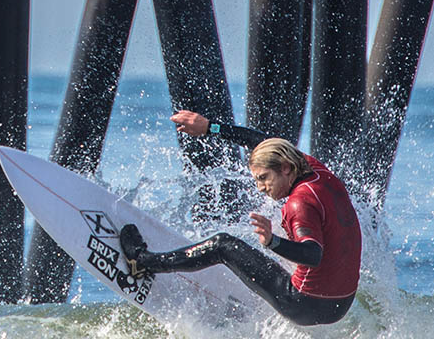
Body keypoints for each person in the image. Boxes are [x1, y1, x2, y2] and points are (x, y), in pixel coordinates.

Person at [119, 110, 362, 326]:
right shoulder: (317, 171)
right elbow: (263, 143)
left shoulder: (298, 203)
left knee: (223, 245)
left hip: (304, 305)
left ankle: (143, 262)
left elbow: (312, 254)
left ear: (286, 168)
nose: (260, 187)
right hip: (341, 305)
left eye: (264, 178)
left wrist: (272, 242)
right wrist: (209, 127)